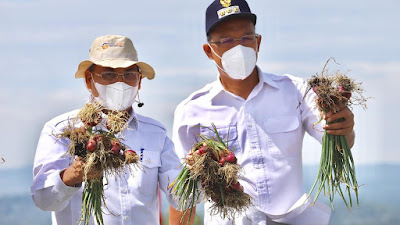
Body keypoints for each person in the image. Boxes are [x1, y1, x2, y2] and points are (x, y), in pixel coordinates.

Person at [171, 0, 355, 224]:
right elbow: (182, 194)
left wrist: (343, 126)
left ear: (258, 43)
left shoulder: (295, 91)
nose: (238, 48)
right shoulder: (191, 110)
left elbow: (336, 141)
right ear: (209, 51)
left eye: (246, 38)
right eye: (227, 41)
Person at [31, 35, 194, 225]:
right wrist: (72, 176)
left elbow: (182, 197)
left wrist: (199, 176)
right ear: (88, 80)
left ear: (139, 81)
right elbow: (43, 200)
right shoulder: (62, 130)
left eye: (128, 75)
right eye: (108, 74)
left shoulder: (155, 133)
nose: (120, 83)